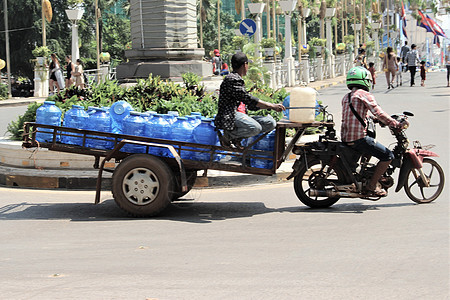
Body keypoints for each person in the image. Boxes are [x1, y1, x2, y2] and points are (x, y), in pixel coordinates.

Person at [341, 67, 407, 197]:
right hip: (359, 138)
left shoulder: (347, 97)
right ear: (365, 80)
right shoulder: (364, 95)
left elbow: (358, 115)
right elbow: (379, 112)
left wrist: (375, 120)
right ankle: (371, 186)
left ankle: (366, 177)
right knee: (388, 156)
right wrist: (395, 124)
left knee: (371, 147)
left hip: (346, 137)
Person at [215, 52, 285, 148]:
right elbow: (248, 99)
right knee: (255, 128)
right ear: (245, 64)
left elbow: (250, 104)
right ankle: (227, 136)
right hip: (229, 115)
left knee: (270, 123)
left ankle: (237, 138)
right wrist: (271, 106)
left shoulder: (237, 79)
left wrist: (268, 107)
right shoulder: (232, 79)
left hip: (239, 115)